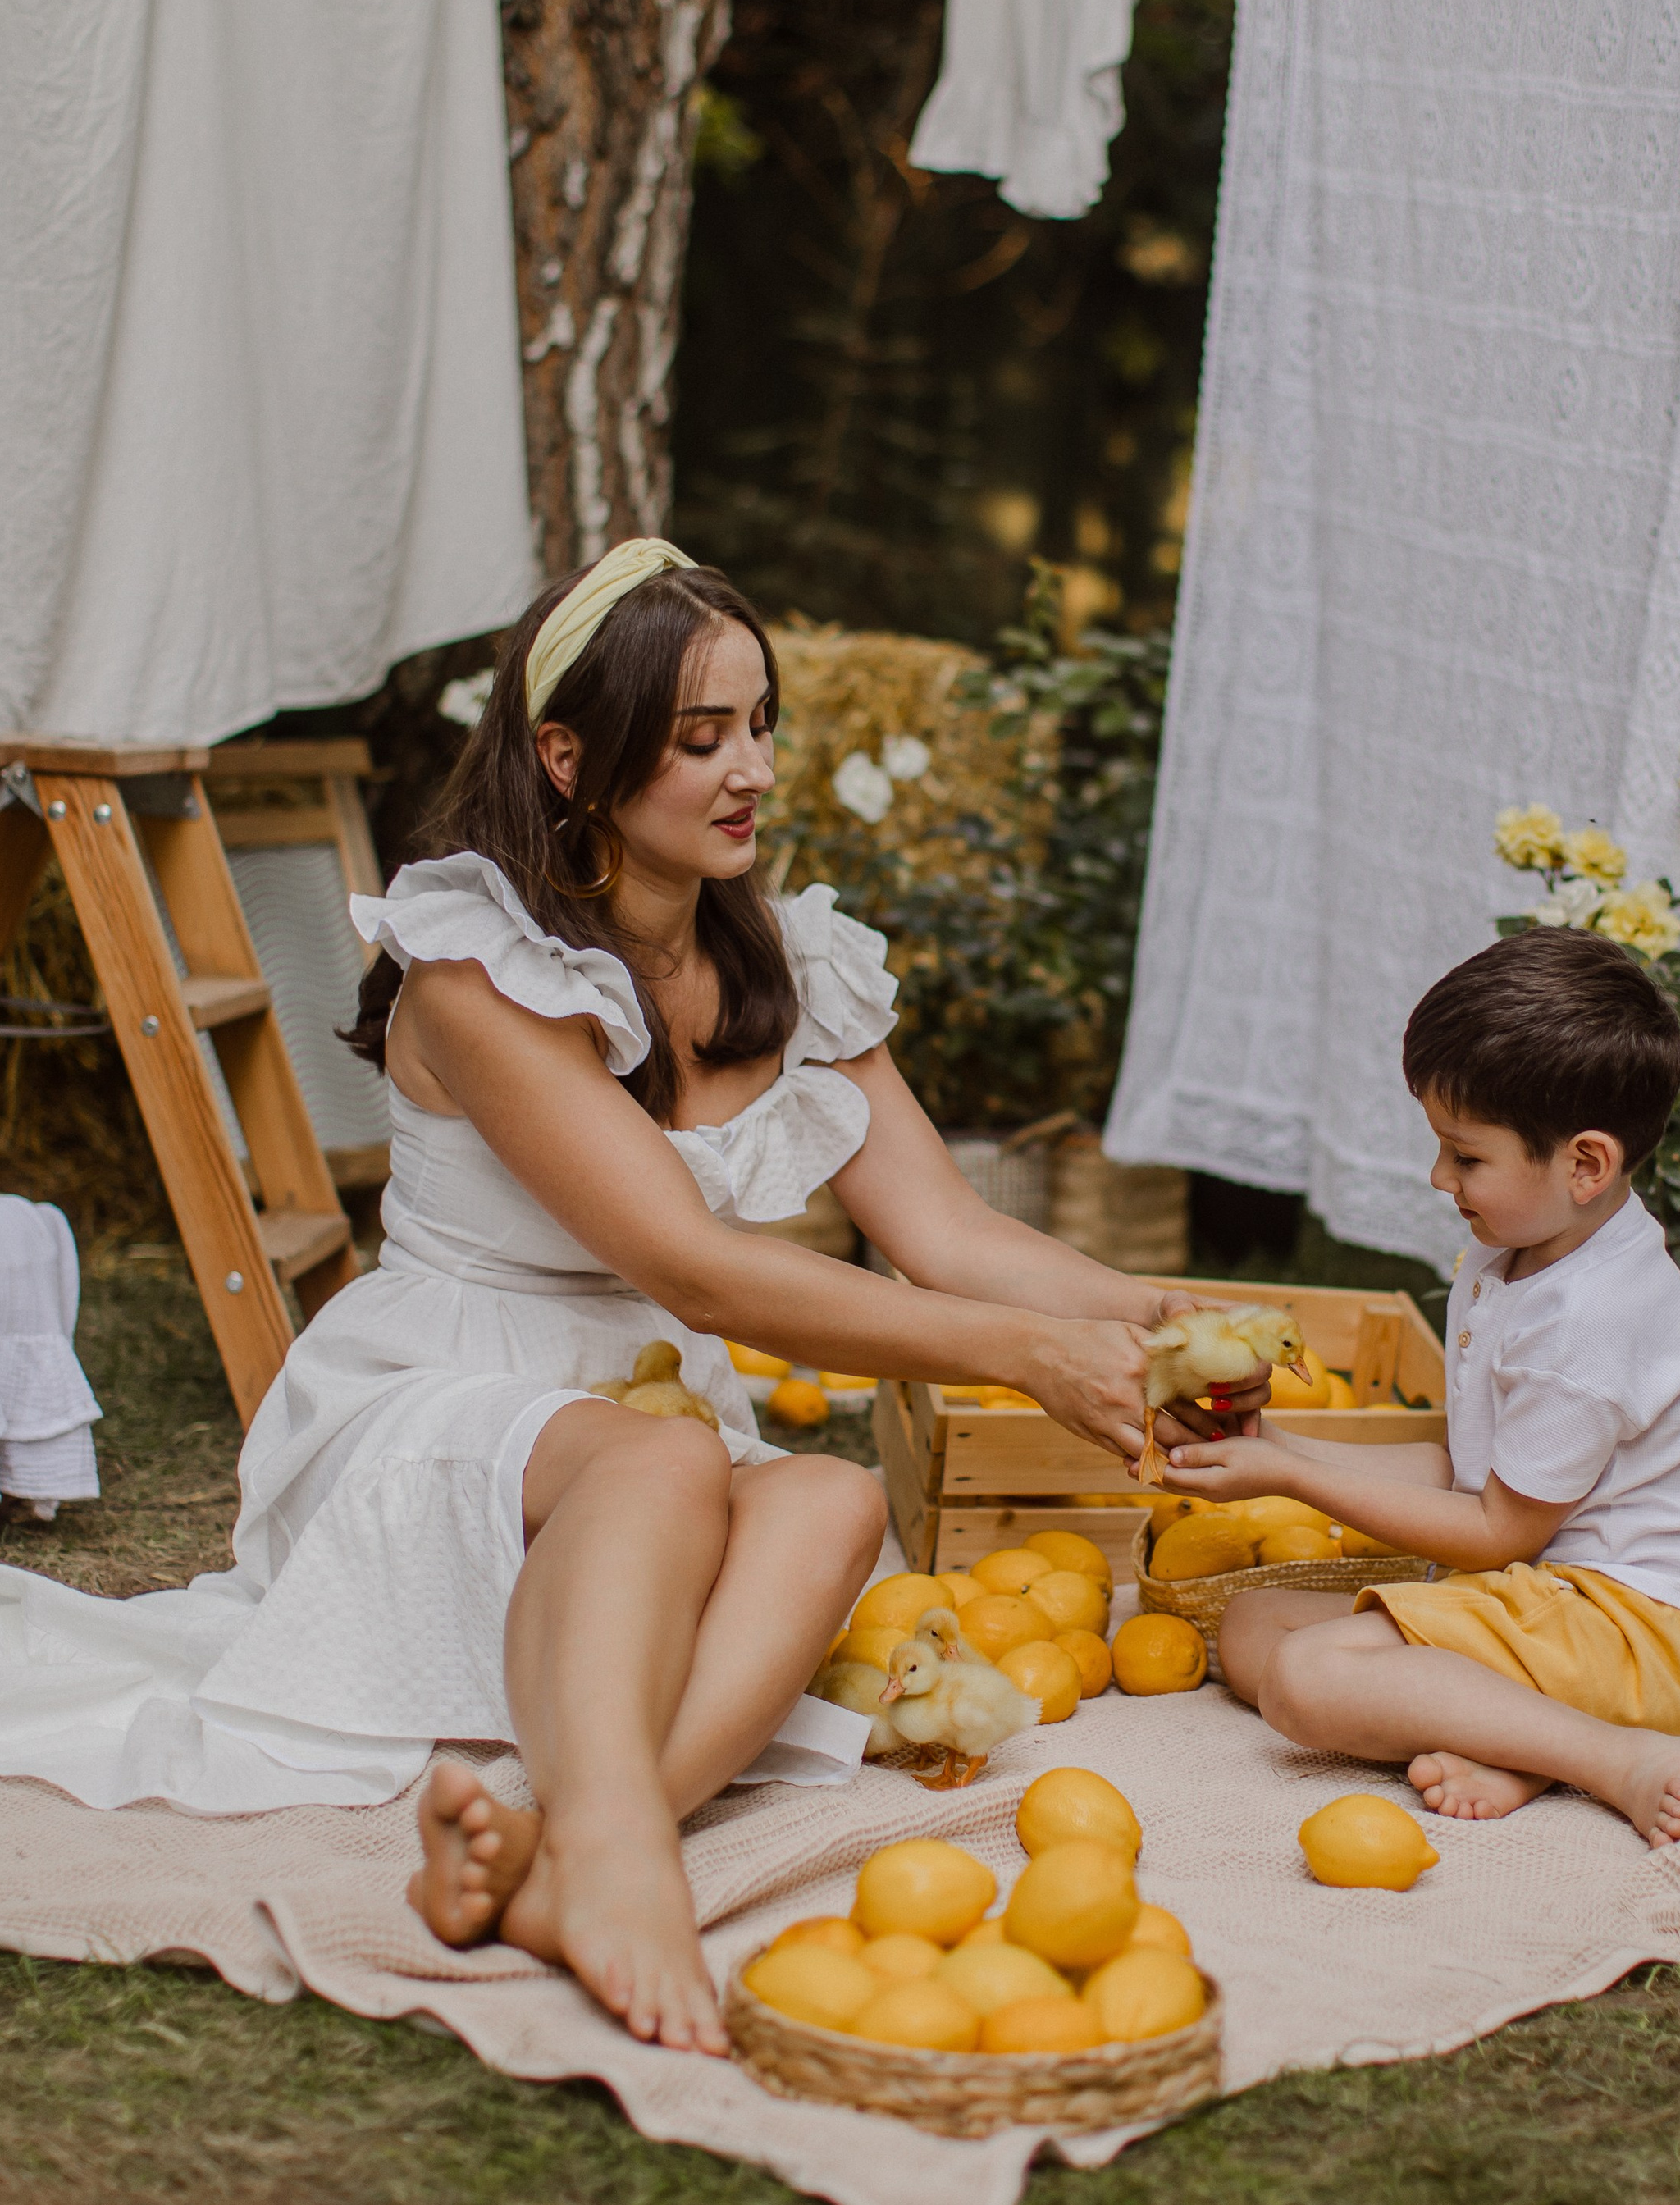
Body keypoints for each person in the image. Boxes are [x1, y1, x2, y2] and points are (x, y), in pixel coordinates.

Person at [278, 541, 1255, 2050]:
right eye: (698, 740)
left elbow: (950, 1232)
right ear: (567, 758)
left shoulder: (788, 965)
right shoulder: (479, 968)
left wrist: (1161, 1326)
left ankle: (579, 1852)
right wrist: (1019, 1356)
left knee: (826, 1504)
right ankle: (625, 1861)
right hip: (446, 1395)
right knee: (672, 1457)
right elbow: (693, 1267)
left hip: (642, 1413)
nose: (751, 771)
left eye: (758, 725)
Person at [1162, 930, 1680, 1850]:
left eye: (1465, 1157)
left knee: (1304, 1682)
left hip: (1628, 1633)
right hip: (1542, 1595)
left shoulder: (1589, 1318)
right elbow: (1460, 1464)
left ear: (1584, 1165)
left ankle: (1622, 1759)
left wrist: (1291, 1479)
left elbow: (1497, 1529)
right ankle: (1517, 1744)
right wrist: (1274, 1446)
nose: (1440, 1179)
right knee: (1252, 1625)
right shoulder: (1524, 1249)